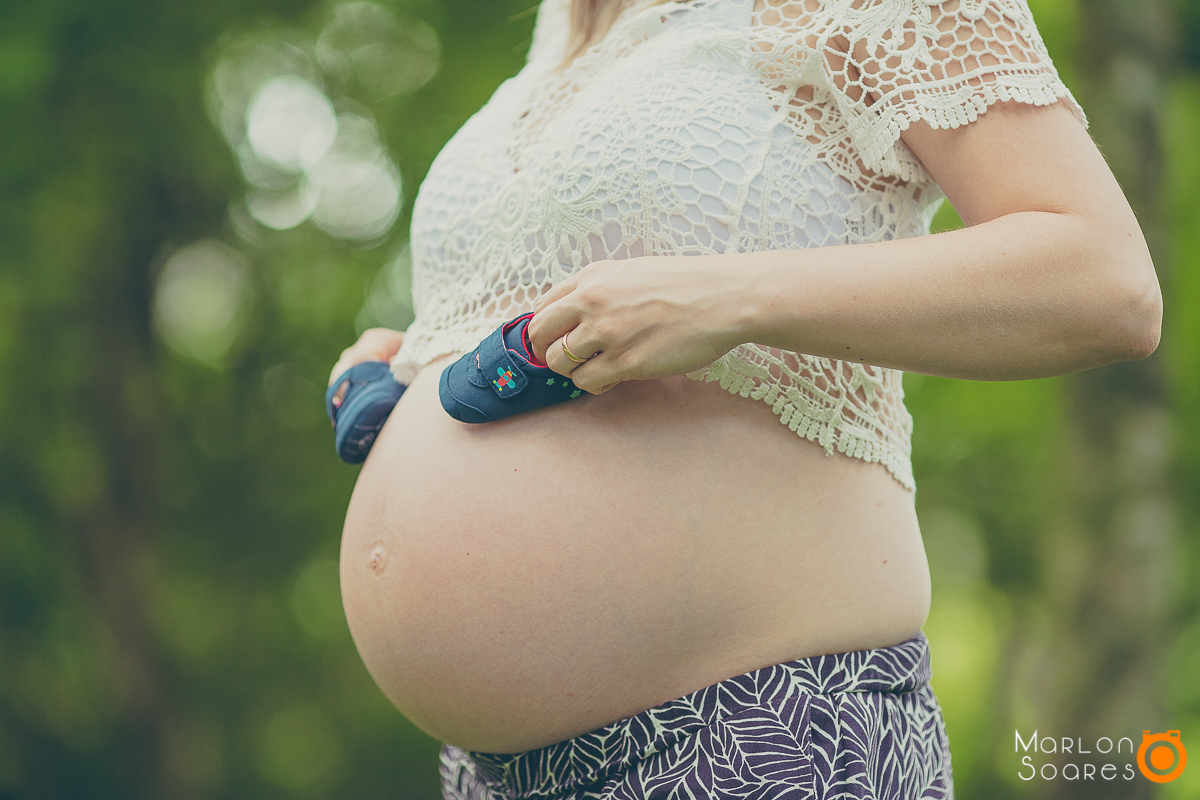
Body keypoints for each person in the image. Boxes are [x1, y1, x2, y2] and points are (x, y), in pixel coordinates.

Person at [330, 0, 1162, 796]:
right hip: (490, 772)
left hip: (757, 738)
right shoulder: (572, 21)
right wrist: (424, 357)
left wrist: (725, 299)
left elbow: (1104, 282)